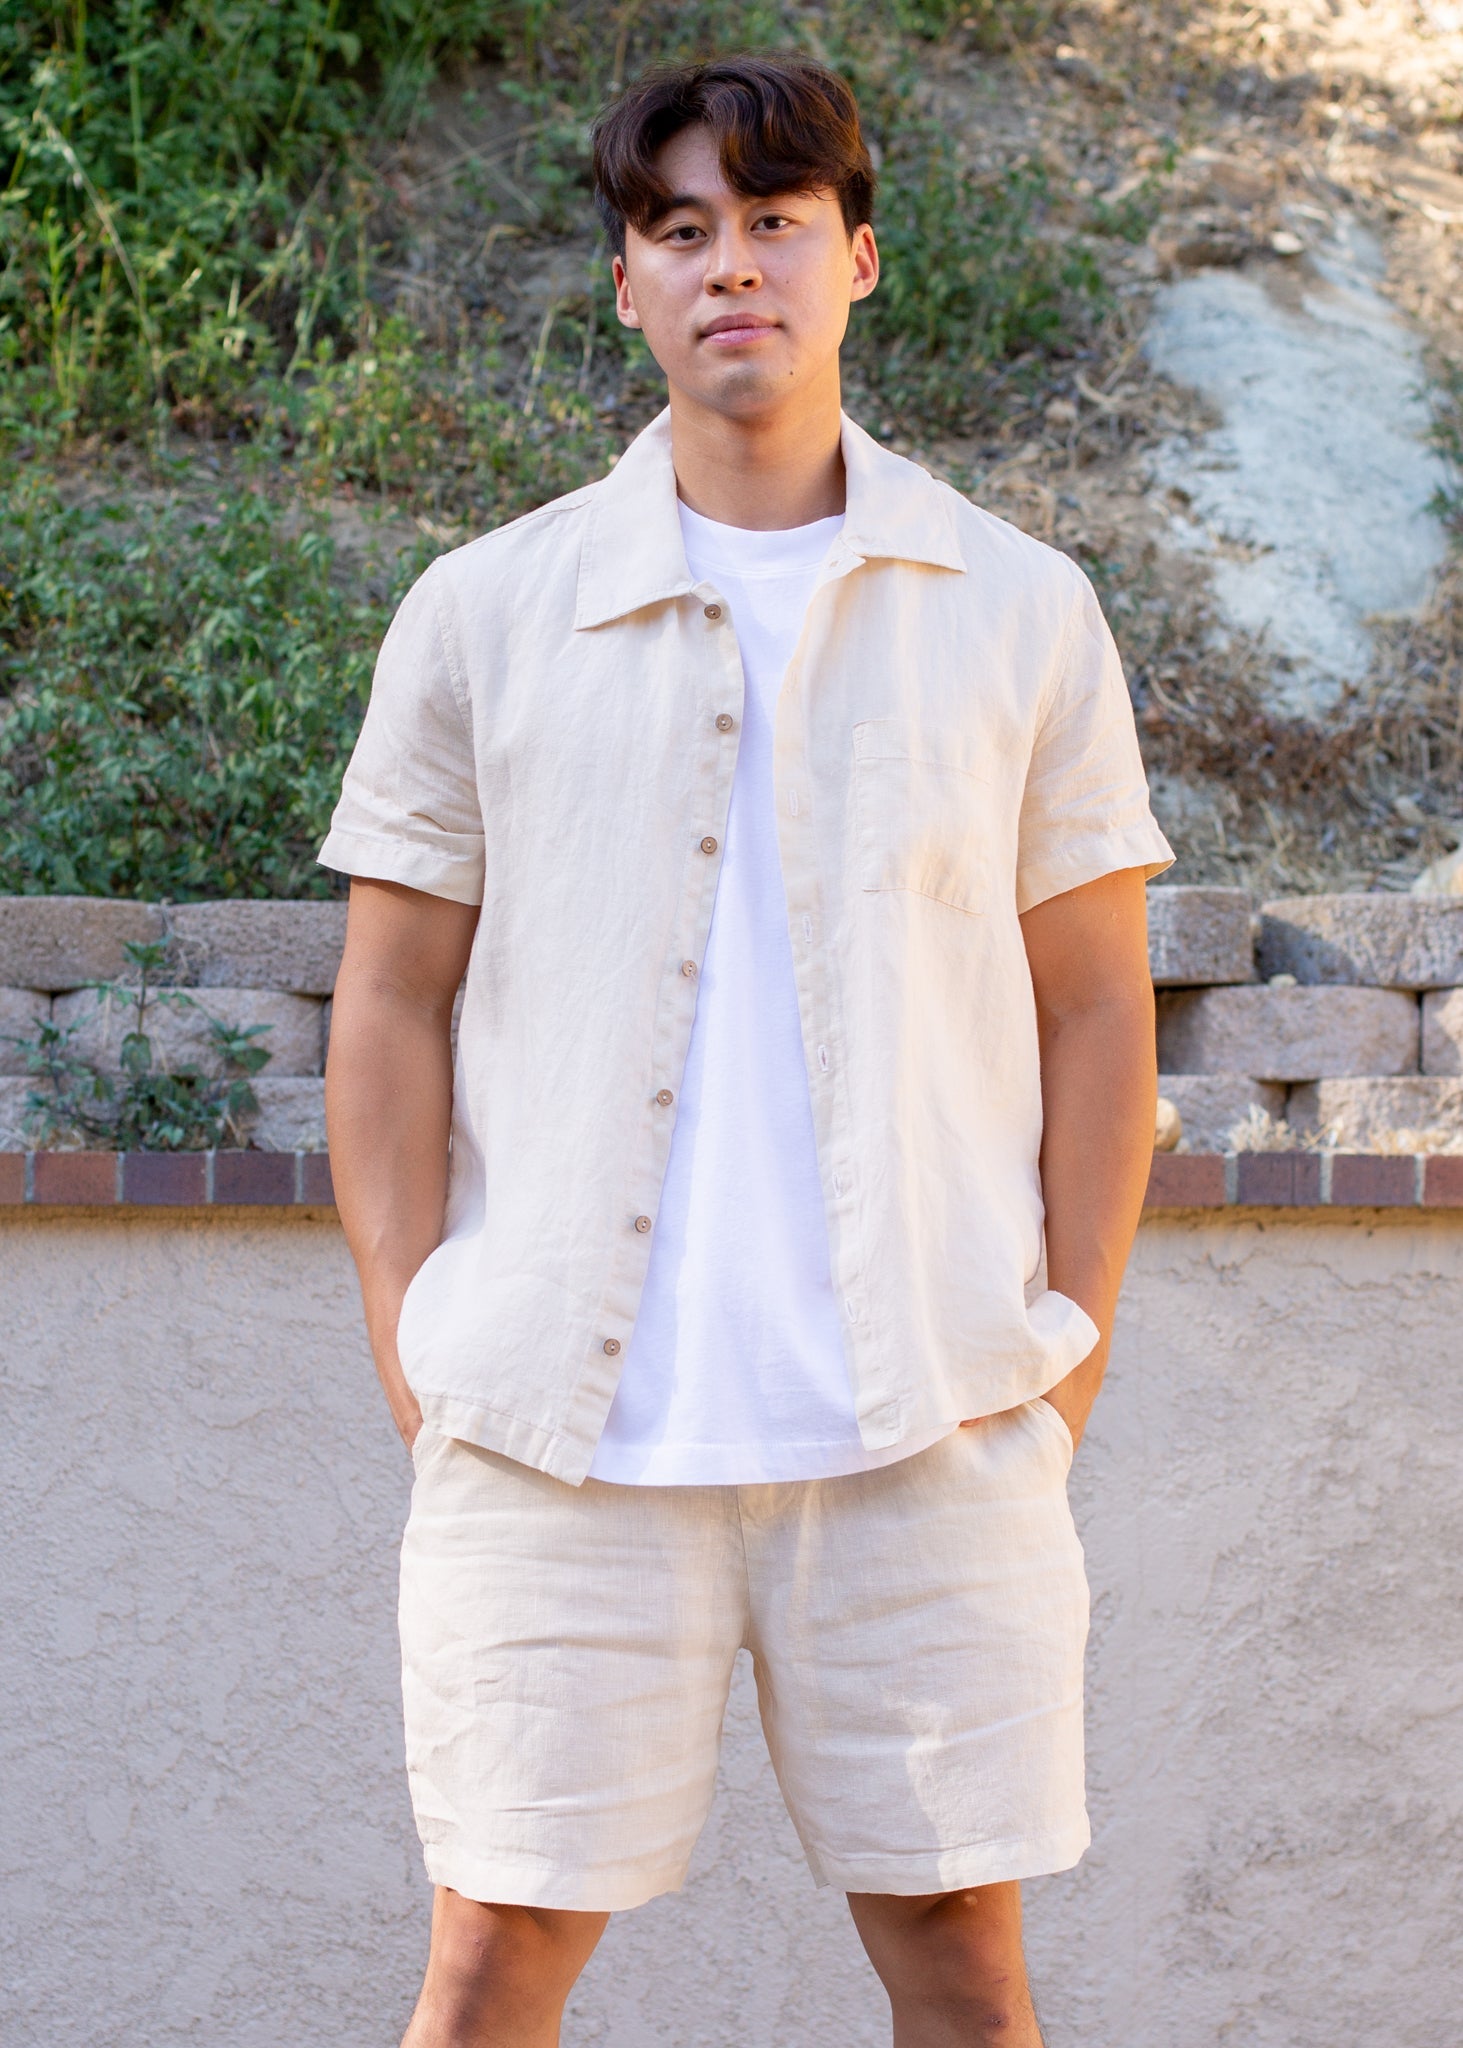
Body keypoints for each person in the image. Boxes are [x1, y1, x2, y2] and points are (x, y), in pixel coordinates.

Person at [322, 51, 1172, 2048]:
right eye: (679, 230)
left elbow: (1099, 1005)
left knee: (966, 1964)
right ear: (626, 284)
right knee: (486, 1962)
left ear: (858, 259)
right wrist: (409, 1327)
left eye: (774, 223)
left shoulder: (1020, 612)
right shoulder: (486, 612)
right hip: (552, 1430)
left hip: (930, 1422)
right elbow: (388, 995)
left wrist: (1064, 1366)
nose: (732, 269)